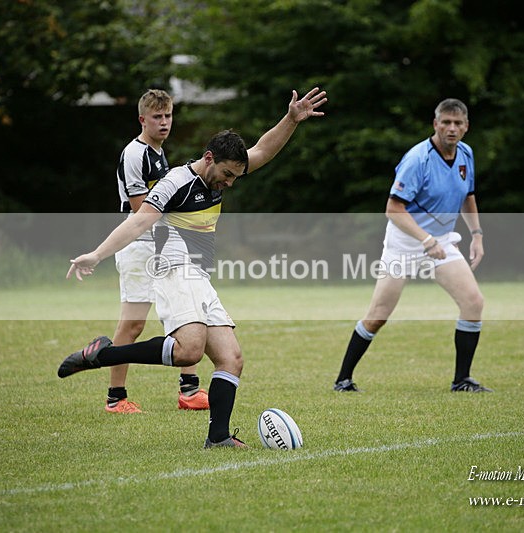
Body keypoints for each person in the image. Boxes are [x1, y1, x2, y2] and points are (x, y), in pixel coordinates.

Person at [58, 87, 328, 448]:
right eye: (227, 175)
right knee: (188, 349)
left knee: (231, 358)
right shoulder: (176, 182)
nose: (230, 182)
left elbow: (263, 149)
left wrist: (291, 120)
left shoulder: (227, 167)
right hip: (171, 266)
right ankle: (103, 355)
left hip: (198, 275)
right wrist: (96, 254)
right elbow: (138, 222)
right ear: (208, 157)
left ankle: (217, 438)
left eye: (235, 176)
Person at [333, 98, 492, 393]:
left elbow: (468, 196)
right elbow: (393, 210)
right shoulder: (418, 159)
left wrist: (477, 235)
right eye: (446, 122)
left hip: (441, 241)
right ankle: (343, 379)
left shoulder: (466, 155)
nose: (452, 128)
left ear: (466, 127)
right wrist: (425, 239)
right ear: (435, 124)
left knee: (473, 303)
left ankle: (461, 380)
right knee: (378, 315)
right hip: (404, 242)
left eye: (458, 123)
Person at [107, 88, 208, 414]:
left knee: (186, 309)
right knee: (133, 324)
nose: (164, 122)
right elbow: (142, 212)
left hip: (163, 245)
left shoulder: (159, 153)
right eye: (157, 117)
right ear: (142, 119)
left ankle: (189, 392)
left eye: (168, 116)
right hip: (139, 247)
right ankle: (115, 397)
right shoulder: (135, 154)